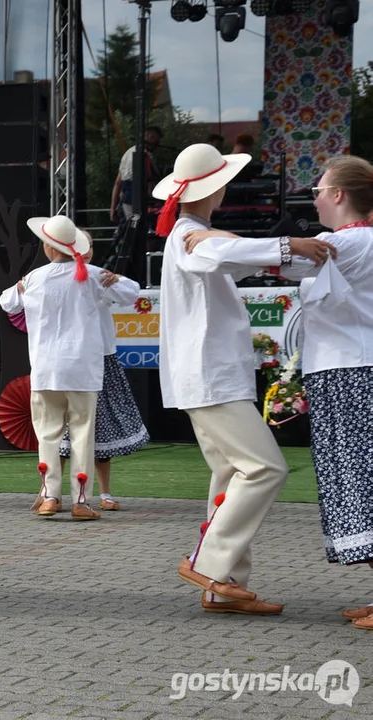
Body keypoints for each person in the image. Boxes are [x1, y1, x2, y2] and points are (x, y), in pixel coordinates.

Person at [187, 155, 373, 628]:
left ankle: (213, 565)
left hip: (351, 374)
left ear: (338, 196)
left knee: (357, 479)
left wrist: (210, 237)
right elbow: (282, 259)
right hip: (345, 373)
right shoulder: (351, 244)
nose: (313, 196)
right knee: (355, 477)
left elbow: (278, 258)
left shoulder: (345, 243)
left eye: (319, 188)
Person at [154, 142, 334, 616]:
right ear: (219, 187)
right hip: (211, 376)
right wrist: (289, 245)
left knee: (232, 473)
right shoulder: (190, 237)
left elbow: (232, 253)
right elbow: (218, 253)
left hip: (211, 375)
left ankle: (223, 584)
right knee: (266, 468)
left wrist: (286, 253)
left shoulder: (199, 234)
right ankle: (211, 564)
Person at [0, 215, 124, 522]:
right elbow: (131, 293)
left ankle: (50, 496)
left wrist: (19, 286)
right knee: (83, 434)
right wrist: (115, 280)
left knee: (48, 435)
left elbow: (7, 302)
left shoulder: (34, 278)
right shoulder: (94, 275)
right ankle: (81, 500)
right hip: (82, 371)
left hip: (45, 370)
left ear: (48, 247)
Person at [58, 245, 147, 511]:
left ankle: (104, 493)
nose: (84, 252)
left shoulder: (98, 276)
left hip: (102, 358)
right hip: (71, 359)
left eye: (88, 247)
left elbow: (132, 292)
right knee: (61, 429)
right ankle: (51, 492)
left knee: (100, 425)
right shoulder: (57, 278)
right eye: (78, 247)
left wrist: (117, 279)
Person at [110, 126, 163, 223]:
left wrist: (113, 208)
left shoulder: (128, 153)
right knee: (136, 228)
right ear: (151, 138)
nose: (157, 145)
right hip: (138, 199)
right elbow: (150, 181)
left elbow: (117, 183)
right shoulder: (145, 155)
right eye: (156, 141)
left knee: (129, 227)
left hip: (126, 200)